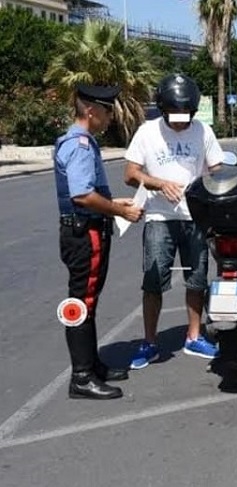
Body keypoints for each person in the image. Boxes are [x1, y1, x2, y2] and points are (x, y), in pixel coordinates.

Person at [124, 74, 225, 370]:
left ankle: (194, 337)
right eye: (175, 116)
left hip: (195, 218)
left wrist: (222, 181)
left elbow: (217, 168)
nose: (181, 122)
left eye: (186, 116)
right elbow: (130, 174)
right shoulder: (146, 132)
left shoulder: (203, 132)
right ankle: (150, 342)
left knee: (197, 279)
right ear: (163, 109)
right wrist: (157, 183)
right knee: (153, 281)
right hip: (159, 218)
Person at [55, 83, 144, 400]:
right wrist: (118, 209)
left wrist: (111, 201)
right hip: (85, 233)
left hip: (85, 228)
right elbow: (82, 195)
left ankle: (92, 366)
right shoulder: (79, 145)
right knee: (83, 303)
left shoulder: (81, 142)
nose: (110, 118)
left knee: (88, 301)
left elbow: (84, 192)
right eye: (107, 111)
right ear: (91, 110)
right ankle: (81, 377)